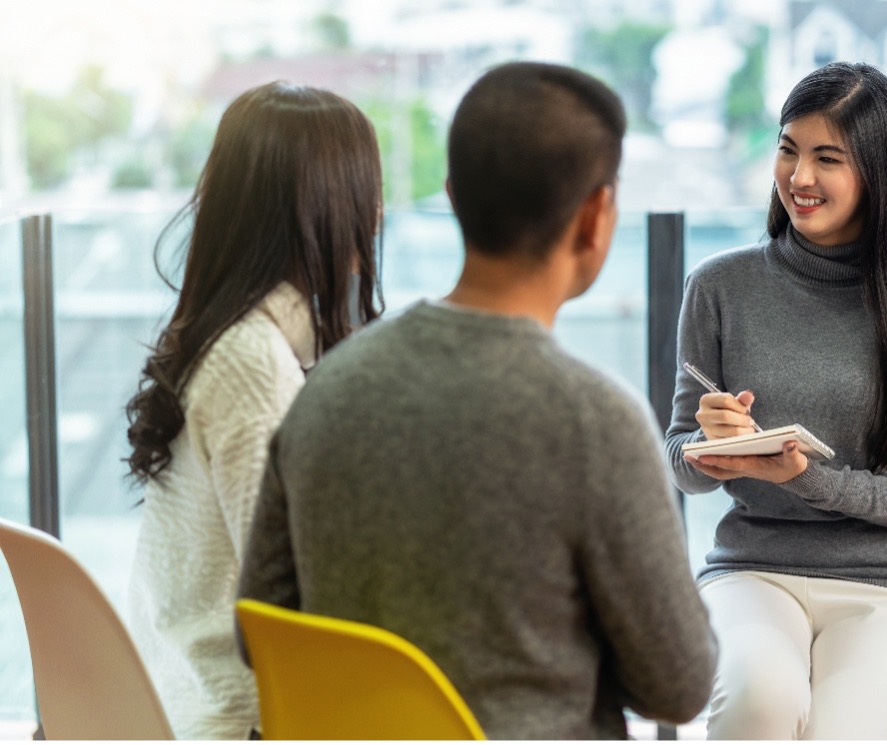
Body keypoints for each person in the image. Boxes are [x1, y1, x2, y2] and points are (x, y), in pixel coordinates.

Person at [236, 61, 717, 740]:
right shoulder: (592, 418)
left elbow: (257, 630)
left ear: (455, 197)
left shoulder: (328, 388)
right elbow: (681, 684)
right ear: (594, 217)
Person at [665, 61, 887, 740]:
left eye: (826, 158)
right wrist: (707, 447)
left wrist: (810, 479)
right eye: (788, 150)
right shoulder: (719, 286)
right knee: (757, 705)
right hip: (751, 570)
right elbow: (678, 465)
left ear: (878, 173)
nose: (799, 178)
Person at [124, 81, 385, 740]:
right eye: (364, 187)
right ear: (322, 204)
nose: (377, 210)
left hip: (188, 698)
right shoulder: (251, 362)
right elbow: (290, 605)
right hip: (241, 719)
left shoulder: (227, 336)